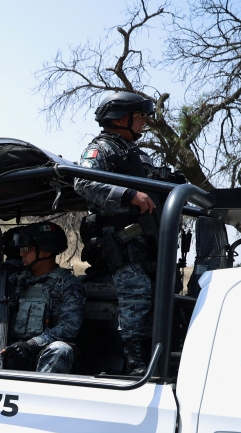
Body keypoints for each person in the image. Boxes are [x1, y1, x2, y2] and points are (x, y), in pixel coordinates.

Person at [73, 91, 182, 375]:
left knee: (163, 296)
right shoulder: (100, 149)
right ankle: (135, 364)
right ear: (121, 119)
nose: (144, 123)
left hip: (152, 242)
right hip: (123, 243)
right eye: (140, 117)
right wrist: (128, 194)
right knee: (138, 297)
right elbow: (83, 181)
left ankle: (157, 358)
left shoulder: (138, 153)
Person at [0, 222, 86, 373]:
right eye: (21, 249)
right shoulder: (15, 280)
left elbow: (68, 328)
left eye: (27, 249)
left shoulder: (68, 284)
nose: (21, 254)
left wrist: (32, 344)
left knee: (60, 350)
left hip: (40, 350)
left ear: (46, 250)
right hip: (7, 346)